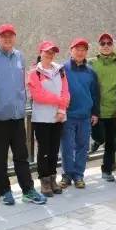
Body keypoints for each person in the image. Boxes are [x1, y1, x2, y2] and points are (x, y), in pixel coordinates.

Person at [0, 24, 46, 205]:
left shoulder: (20, 56)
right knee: (0, 157)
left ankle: (28, 190)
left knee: (22, 155)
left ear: (14, 38)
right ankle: (4, 191)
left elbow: (22, 83)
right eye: (3, 36)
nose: (7, 39)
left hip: (18, 115)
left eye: (10, 36)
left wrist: (23, 104)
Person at [27, 41, 70, 197]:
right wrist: (59, 100)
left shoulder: (60, 70)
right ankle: (44, 181)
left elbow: (66, 91)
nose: (49, 55)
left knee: (54, 150)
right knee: (44, 150)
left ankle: (52, 179)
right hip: (42, 118)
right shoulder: (34, 72)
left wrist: (62, 109)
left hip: (58, 117)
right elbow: (38, 95)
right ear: (41, 53)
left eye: (52, 52)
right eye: (47, 52)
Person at [60, 38, 100, 189]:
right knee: (67, 146)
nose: (80, 52)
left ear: (86, 52)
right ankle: (67, 175)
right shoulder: (62, 69)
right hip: (68, 115)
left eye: (83, 50)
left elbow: (95, 94)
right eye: (77, 49)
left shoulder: (91, 72)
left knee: (83, 147)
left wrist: (95, 113)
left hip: (85, 116)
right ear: (71, 50)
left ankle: (78, 175)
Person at [89, 33, 116, 182]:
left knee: (111, 143)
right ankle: (97, 141)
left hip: (112, 111)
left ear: (112, 45)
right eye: (103, 43)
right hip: (95, 111)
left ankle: (107, 170)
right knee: (99, 136)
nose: (106, 46)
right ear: (99, 46)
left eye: (109, 43)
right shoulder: (92, 64)